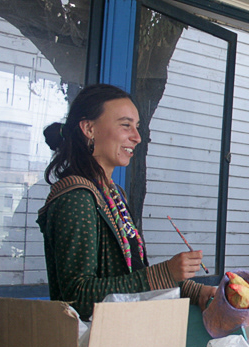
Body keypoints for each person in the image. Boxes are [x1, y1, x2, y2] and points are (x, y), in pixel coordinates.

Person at [37, 83, 213, 320]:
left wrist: (193, 291)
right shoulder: (76, 198)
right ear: (89, 128)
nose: (137, 137)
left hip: (124, 334)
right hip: (92, 342)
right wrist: (165, 273)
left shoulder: (113, 194)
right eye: (125, 125)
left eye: (137, 127)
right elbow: (77, 298)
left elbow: (131, 276)